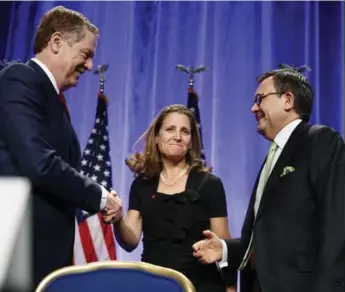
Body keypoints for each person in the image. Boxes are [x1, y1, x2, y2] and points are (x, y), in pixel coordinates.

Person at [0, 6, 122, 289]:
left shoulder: (51, 98)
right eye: (86, 54)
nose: (90, 65)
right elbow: (40, 164)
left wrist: (100, 199)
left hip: (40, 260)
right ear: (56, 42)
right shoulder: (20, 79)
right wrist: (100, 197)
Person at [192, 67, 345, 292]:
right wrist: (225, 249)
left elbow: (337, 224)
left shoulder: (320, 141)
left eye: (260, 98)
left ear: (288, 100)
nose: (253, 107)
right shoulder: (274, 156)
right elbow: (272, 236)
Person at [103, 104, 234, 292]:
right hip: (153, 285)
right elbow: (130, 241)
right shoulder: (142, 184)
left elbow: (223, 245)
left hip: (201, 286)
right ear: (157, 138)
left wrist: (230, 287)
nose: (177, 136)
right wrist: (117, 220)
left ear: (191, 141)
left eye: (185, 131)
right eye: (170, 129)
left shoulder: (209, 184)